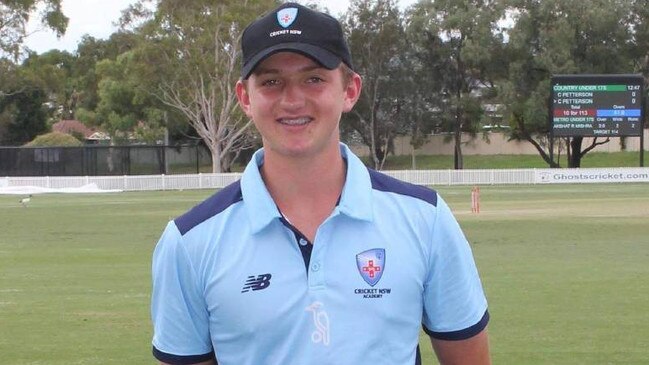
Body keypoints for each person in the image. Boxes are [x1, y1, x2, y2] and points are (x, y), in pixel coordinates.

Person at [150, 3, 491, 365]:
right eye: (270, 82)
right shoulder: (188, 243)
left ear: (350, 90)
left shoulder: (426, 219)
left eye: (314, 79)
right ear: (245, 97)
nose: (292, 100)